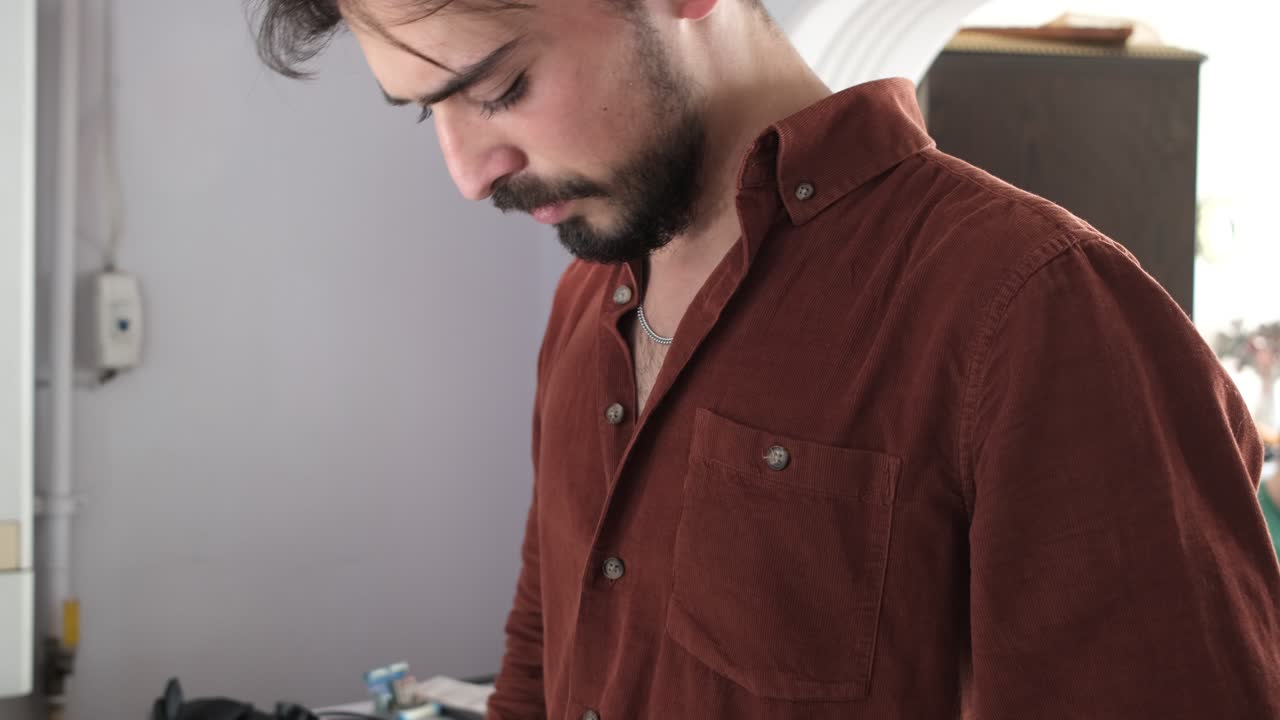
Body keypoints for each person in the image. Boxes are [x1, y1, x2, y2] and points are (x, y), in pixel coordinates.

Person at [250, 1, 1280, 717]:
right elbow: (541, 659)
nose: (470, 174)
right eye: (426, 109)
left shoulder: (1039, 312)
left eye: (502, 85)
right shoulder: (587, 300)